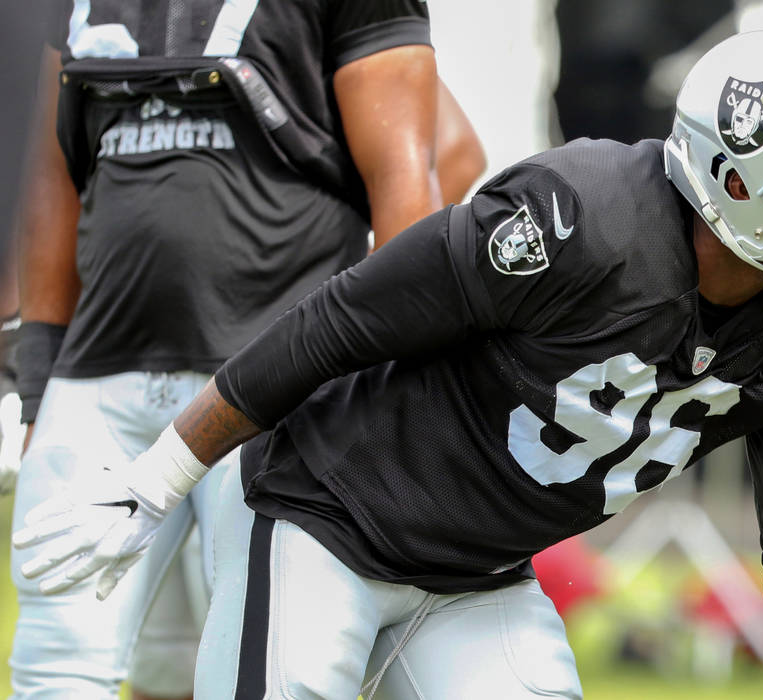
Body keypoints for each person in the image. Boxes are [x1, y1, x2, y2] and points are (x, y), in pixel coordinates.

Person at [13, 29, 763, 699]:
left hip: (478, 574)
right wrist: (162, 476)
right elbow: (342, 320)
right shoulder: (582, 218)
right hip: (322, 518)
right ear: (736, 181)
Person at [8, 1, 484, 698]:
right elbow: (49, 181)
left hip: (272, 385)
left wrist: (391, 386)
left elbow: (421, 169)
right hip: (101, 372)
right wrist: (34, 382)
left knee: (263, 672)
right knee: (57, 672)